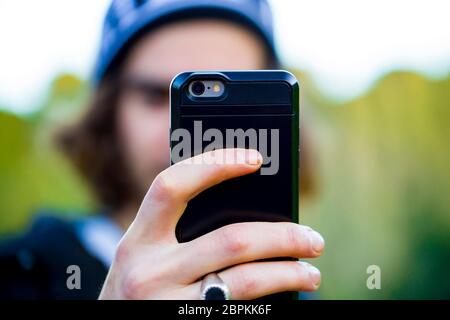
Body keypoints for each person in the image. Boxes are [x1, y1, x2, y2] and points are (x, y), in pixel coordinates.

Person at [0, 0, 323, 300]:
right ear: (108, 113)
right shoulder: (15, 276)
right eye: (156, 96)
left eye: (228, 107)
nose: (183, 131)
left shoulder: (296, 291)